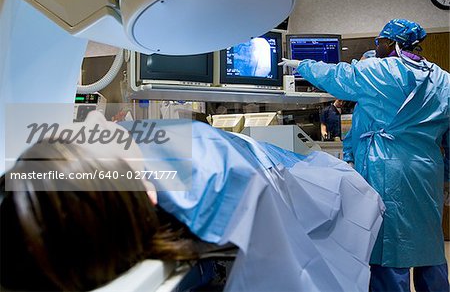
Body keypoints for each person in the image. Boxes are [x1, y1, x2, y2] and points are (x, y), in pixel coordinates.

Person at [1, 111, 385, 292]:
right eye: (87, 136)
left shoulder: (126, 165)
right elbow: (291, 271)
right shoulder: (210, 178)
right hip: (291, 174)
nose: (94, 120)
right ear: (145, 194)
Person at [279, 18, 450, 292]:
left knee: (389, 246)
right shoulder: (443, 79)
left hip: (388, 169)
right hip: (428, 170)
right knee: (428, 242)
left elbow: (337, 76)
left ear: (392, 43)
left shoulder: (381, 71)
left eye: (380, 42)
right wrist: (447, 176)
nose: (377, 46)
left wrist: (303, 65)